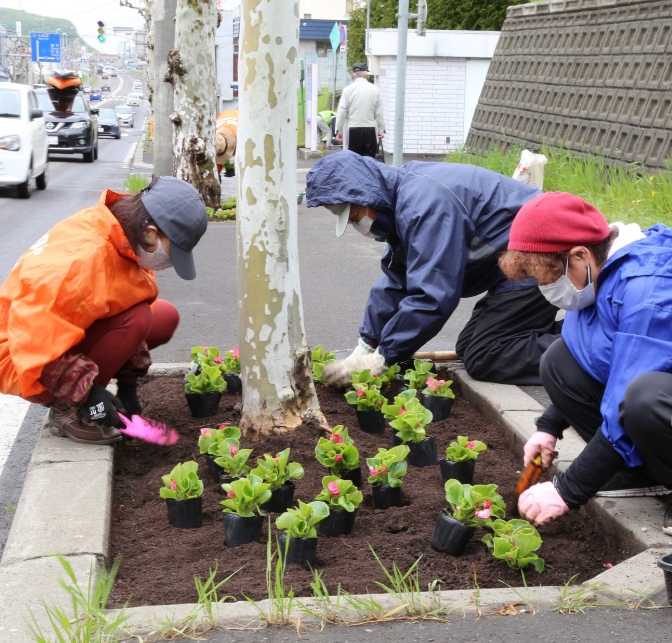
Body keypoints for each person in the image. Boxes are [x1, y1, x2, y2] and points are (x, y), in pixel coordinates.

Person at [306, 151, 563, 386]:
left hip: (541, 256)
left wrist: (382, 357)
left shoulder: (424, 205)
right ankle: (580, 332)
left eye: (352, 216)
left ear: (364, 194)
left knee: (485, 354)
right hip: (516, 259)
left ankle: (595, 351)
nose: (356, 224)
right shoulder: (405, 199)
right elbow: (399, 279)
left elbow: (432, 294)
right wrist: (367, 343)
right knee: (469, 346)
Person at [498, 192, 672, 533]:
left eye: (549, 278)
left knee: (644, 397)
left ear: (580, 255)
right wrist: (548, 428)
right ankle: (646, 475)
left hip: (658, 393)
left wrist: (567, 490)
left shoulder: (647, 290)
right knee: (558, 361)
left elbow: (629, 390)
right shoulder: (602, 272)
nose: (548, 289)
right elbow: (596, 357)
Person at [0, 176, 208, 445]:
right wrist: (89, 393)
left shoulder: (123, 235)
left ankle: (86, 390)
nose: (169, 261)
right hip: (22, 358)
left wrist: (128, 385)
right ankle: (66, 411)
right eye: (173, 251)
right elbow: (34, 346)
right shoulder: (79, 265)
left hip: (50, 334)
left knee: (162, 316)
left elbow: (126, 301)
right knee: (138, 319)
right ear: (150, 231)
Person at [335, 63, 385, 158]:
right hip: (370, 129)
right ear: (366, 74)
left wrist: (339, 131)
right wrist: (381, 130)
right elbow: (379, 112)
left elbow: (342, 111)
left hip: (353, 128)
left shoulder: (347, 90)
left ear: (353, 74)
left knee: (353, 161)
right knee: (369, 161)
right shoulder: (375, 89)